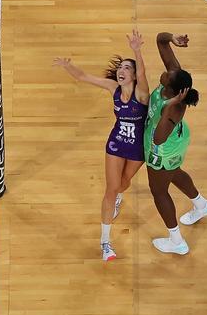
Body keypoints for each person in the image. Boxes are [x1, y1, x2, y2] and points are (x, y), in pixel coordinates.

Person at [53, 31, 150, 262]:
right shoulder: (112, 88)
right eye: (121, 67)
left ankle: (117, 198)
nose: (121, 70)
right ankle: (105, 243)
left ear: (135, 75)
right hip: (116, 144)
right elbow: (84, 77)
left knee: (123, 185)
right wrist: (69, 66)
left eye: (127, 68)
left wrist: (137, 49)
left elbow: (145, 73)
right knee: (111, 188)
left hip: (137, 148)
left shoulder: (142, 93)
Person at [145, 32, 207, 255]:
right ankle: (202, 205)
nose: (165, 73)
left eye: (168, 75)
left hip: (162, 149)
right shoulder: (176, 79)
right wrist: (172, 38)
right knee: (174, 172)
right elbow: (160, 40)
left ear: (174, 91)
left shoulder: (174, 107)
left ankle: (176, 241)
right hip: (177, 142)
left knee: (159, 191)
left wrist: (168, 106)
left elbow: (158, 138)